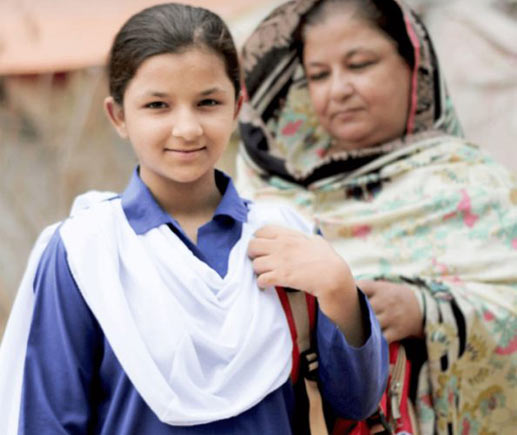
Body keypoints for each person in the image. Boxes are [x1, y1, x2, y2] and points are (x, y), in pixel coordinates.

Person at [0, 3, 388, 434]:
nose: (186, 128)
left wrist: (339, 289)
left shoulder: (284, 238)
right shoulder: (85, 251)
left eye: (207, 102)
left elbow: (358, 400)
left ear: (237, 105)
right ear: (118, 116)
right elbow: (49, 420)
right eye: (158, 105)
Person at [237, 0, 517, 433]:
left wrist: (426, 312)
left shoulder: (476, 188)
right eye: (318, 75)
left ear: (414, 67)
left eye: (360, 64)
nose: (338, 89)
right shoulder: (270, 199)